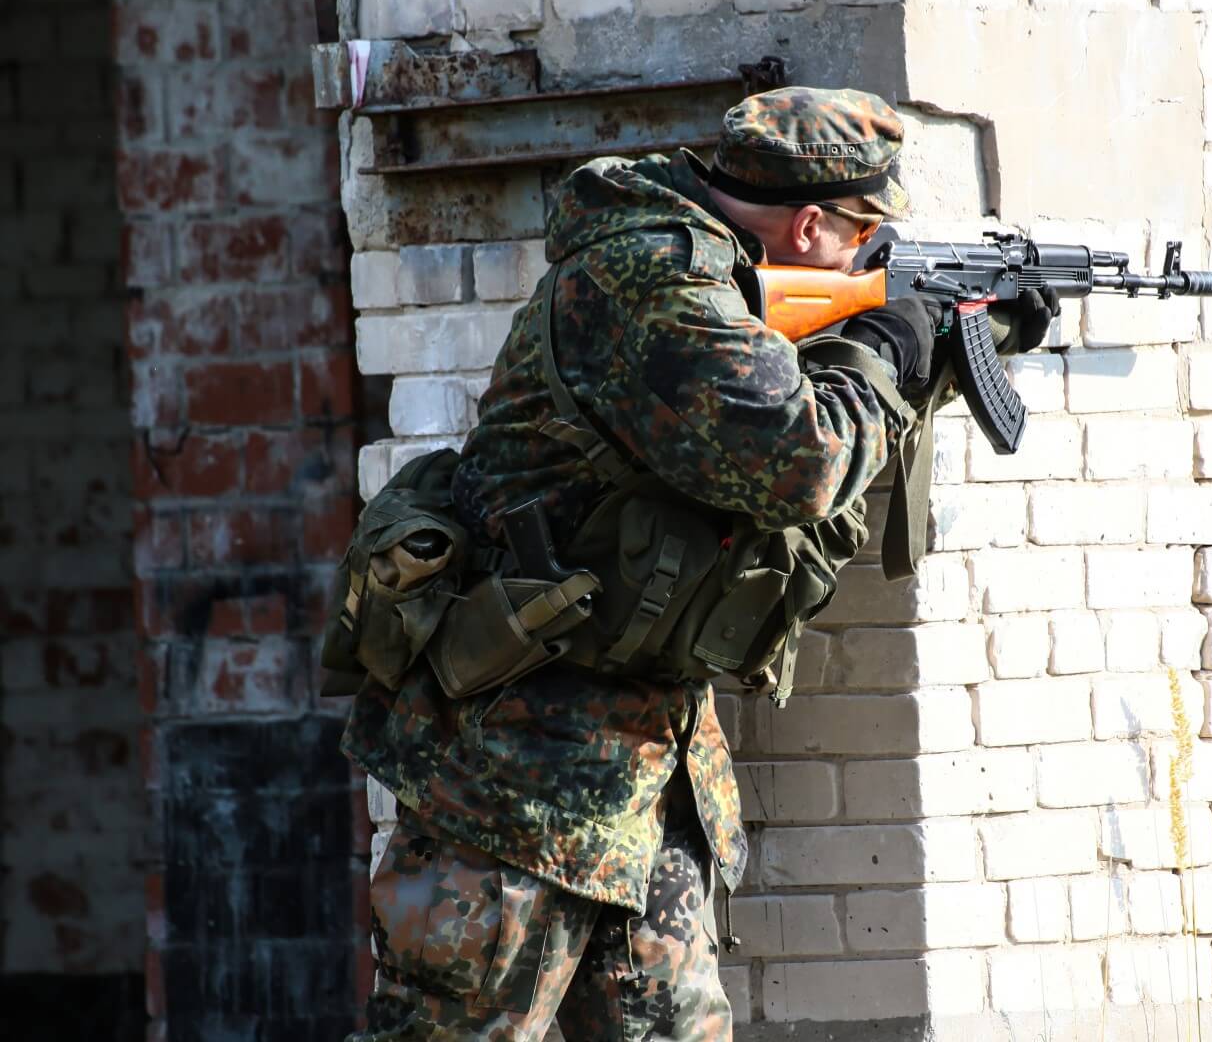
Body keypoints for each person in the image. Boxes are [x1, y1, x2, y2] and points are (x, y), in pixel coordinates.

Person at [340, 86, 1053, 1041]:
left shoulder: (719, 281)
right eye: (862, 237)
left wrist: (962, 333)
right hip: (515, 780)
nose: (867, 259)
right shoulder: (656, 284)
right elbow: (802, 460)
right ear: (809, 225)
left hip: (643, 778)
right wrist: (887, 343)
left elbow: (781, 408)